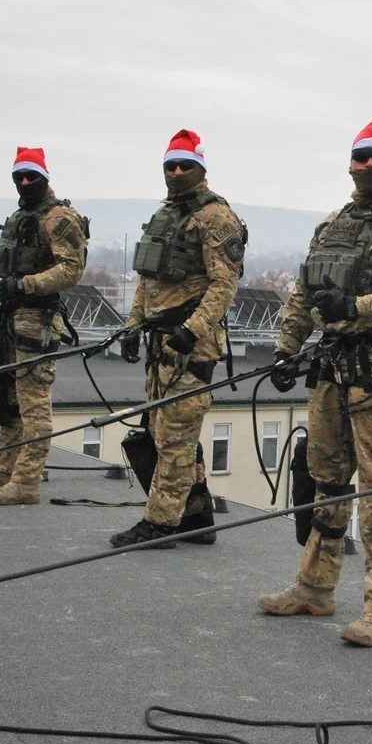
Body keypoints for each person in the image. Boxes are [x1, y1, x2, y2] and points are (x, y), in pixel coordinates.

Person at [258, 118, 372, 647]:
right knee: (327, 481)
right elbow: (303, 291)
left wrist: (357, 306)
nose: (369, 166)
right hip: (330, 371)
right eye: (361, 156)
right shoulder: (332, 224)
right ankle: (315, 587)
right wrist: (286, 348)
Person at [109, 130, 244, 549]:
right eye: (171, 165)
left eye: (186, 165)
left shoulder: (216, 217)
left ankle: (161, 524)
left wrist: (194, 329)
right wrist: (132, 326)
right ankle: (196, 516)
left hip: (191, 344)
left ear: (201, 168)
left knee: (174, 436)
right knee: (163, 427)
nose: (178, 171)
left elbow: (225, 284)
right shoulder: (166, 215)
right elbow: (147, 283)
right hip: (160, 342)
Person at [0, 147, 88, 505]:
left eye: (32, 176)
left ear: (45, 177)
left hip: (39, 318)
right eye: (19, 176)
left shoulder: (59, 217)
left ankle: (28, 481)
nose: (25, 182)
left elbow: (72, 270)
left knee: (34, 405)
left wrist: (26, 285)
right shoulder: (22, 216)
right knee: (10, 399)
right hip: (13, 317)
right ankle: (2, 472)